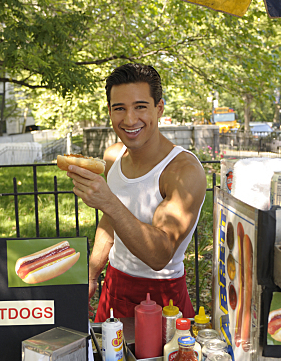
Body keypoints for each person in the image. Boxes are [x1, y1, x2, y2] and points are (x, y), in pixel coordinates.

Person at [67, 63, 207, 322]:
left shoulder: (183, 170)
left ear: (159, 108)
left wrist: (109, 201)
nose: (129, 119)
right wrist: (91, 274)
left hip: (163, 297)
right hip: (114, 284)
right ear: (109, 111)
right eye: (119, 108)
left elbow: (159, 255)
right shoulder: (113, 155)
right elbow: (110, 222)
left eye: (140, 107)